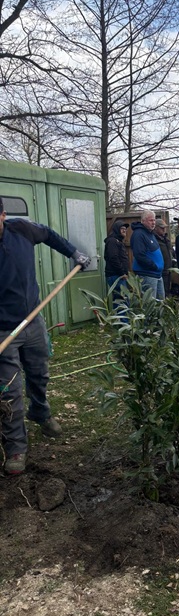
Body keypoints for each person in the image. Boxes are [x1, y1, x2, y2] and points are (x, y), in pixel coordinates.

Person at [0, 198, 91, 475]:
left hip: (33, 319)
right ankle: (16, 447)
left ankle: (40, 412)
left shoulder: (22, 229)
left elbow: (49, 235)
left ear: (3, 215)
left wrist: (73, 253)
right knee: (10, 390)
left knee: (39, 373)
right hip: (3, 329)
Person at [130, 210, 165, 300]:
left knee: (161, 304)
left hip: (157, 275)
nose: (153, 223)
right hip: (147, 275)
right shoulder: (139, 234)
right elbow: (139, 255)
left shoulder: (150, 234)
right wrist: (154, 266)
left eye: (154, 220)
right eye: (151, 220)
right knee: (150, 304)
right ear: (143, 221)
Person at [104, 219, 129, 305]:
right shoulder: (112, 241)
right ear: (117, 229)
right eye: (122, 228)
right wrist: (122, 273)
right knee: (122, 301)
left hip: (118, 275)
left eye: (125, 229)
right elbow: (113, 258)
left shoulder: (118, 241)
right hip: (116, 276)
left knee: (121, 300)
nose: (124, 230)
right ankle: (121, 315)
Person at [153, 218, 174, 297]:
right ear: (156, 228)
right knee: (161, 294)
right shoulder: (154, 239)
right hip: (160, 271)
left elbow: (171, 251)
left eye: (164, 228)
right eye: (162, 228)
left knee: (167, 290)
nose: (164, 230)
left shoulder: (166, 239)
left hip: (168, 270)